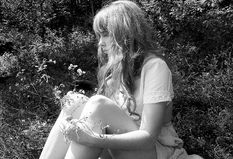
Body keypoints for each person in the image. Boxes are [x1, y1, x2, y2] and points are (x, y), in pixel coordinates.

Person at [39, 0, 203, 159]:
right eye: (99, 36)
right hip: (117, 151)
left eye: (105, 35)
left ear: (124, 34)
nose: (101, 43)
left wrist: (92, 139)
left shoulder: (154, 67)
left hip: (155, 152)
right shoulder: (113, 75)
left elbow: (148, 137)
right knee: (74, 102)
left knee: (98, 104)